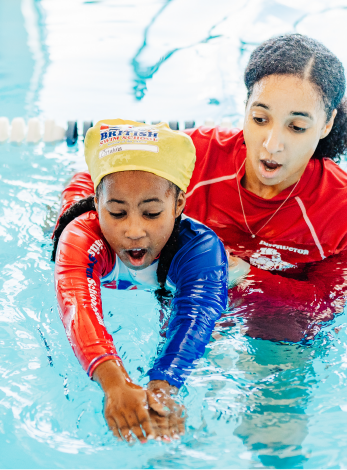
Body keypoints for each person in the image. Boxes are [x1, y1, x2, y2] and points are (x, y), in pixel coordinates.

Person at [183, 34, 347, 339]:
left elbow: (328, 302)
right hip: (193, 300)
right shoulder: (196, 157)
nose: (272, 145)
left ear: (326, 124)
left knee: (282, 349)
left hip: (280, 319)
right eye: (260, 119)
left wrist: (242, 275)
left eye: (297, 127)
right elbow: (97, 178)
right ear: (245, 106)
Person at [51, 119, 228, 444]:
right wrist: (114, 382)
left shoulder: (201, 248)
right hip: (83, 194)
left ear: (178, 206)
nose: (133, 230)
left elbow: (197, 317)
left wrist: (164, 385)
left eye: (151, 213)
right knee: (61, 209)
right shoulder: (82, 237)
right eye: (117, 214)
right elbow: (78, 308)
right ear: (99, 205)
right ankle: (80, 184)